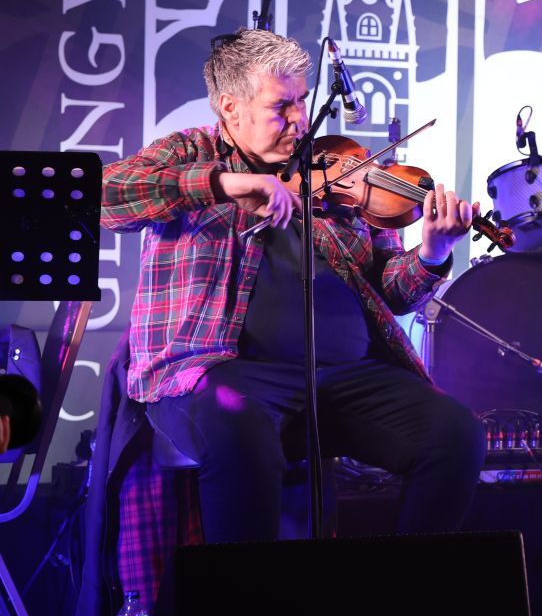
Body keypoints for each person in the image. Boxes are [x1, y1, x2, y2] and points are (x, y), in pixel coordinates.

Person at [100, 28, 485, 542]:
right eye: (282, 106)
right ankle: (250, 614)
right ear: (231, 107)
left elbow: (390, 291)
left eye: (302, 101)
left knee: (454, 433)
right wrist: (224, 183)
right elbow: (104, 196)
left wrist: (434, 252)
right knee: (238, 426)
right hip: (220, 374)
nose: (300, 120)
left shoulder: (334, 172)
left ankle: (400, 604)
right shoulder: (189, 151)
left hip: (342, 377)